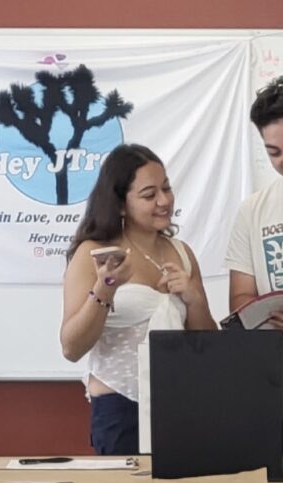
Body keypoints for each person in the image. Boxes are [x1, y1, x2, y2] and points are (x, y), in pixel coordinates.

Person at [60, 144, 215, 455]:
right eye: (149, 195)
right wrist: (104, 289)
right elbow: (71, 347)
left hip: (181, 405)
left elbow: (209, 348)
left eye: (167, 189)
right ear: (119, 204)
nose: (164, 201)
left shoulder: (182, 252)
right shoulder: (92, 253)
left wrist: (194, 299)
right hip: (120, 408)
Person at [226, 75, 283, 452]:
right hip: (278, 396)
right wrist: (268, 313)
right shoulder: (253, 210)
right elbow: (241, 298)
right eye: (273, 152)